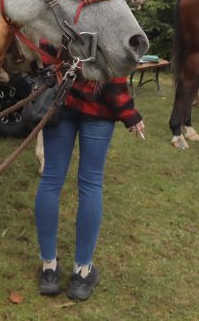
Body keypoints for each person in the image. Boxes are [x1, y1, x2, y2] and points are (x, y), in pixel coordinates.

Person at [34, 74, 145, 302]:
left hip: (60, 102)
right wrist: (128, 113)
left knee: (51, 180)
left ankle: (49, 269)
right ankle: (82, 274)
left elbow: (45, 50)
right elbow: (113, 72)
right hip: (98, 109)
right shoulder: (107, 34)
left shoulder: (62, 34)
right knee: (91, 183)